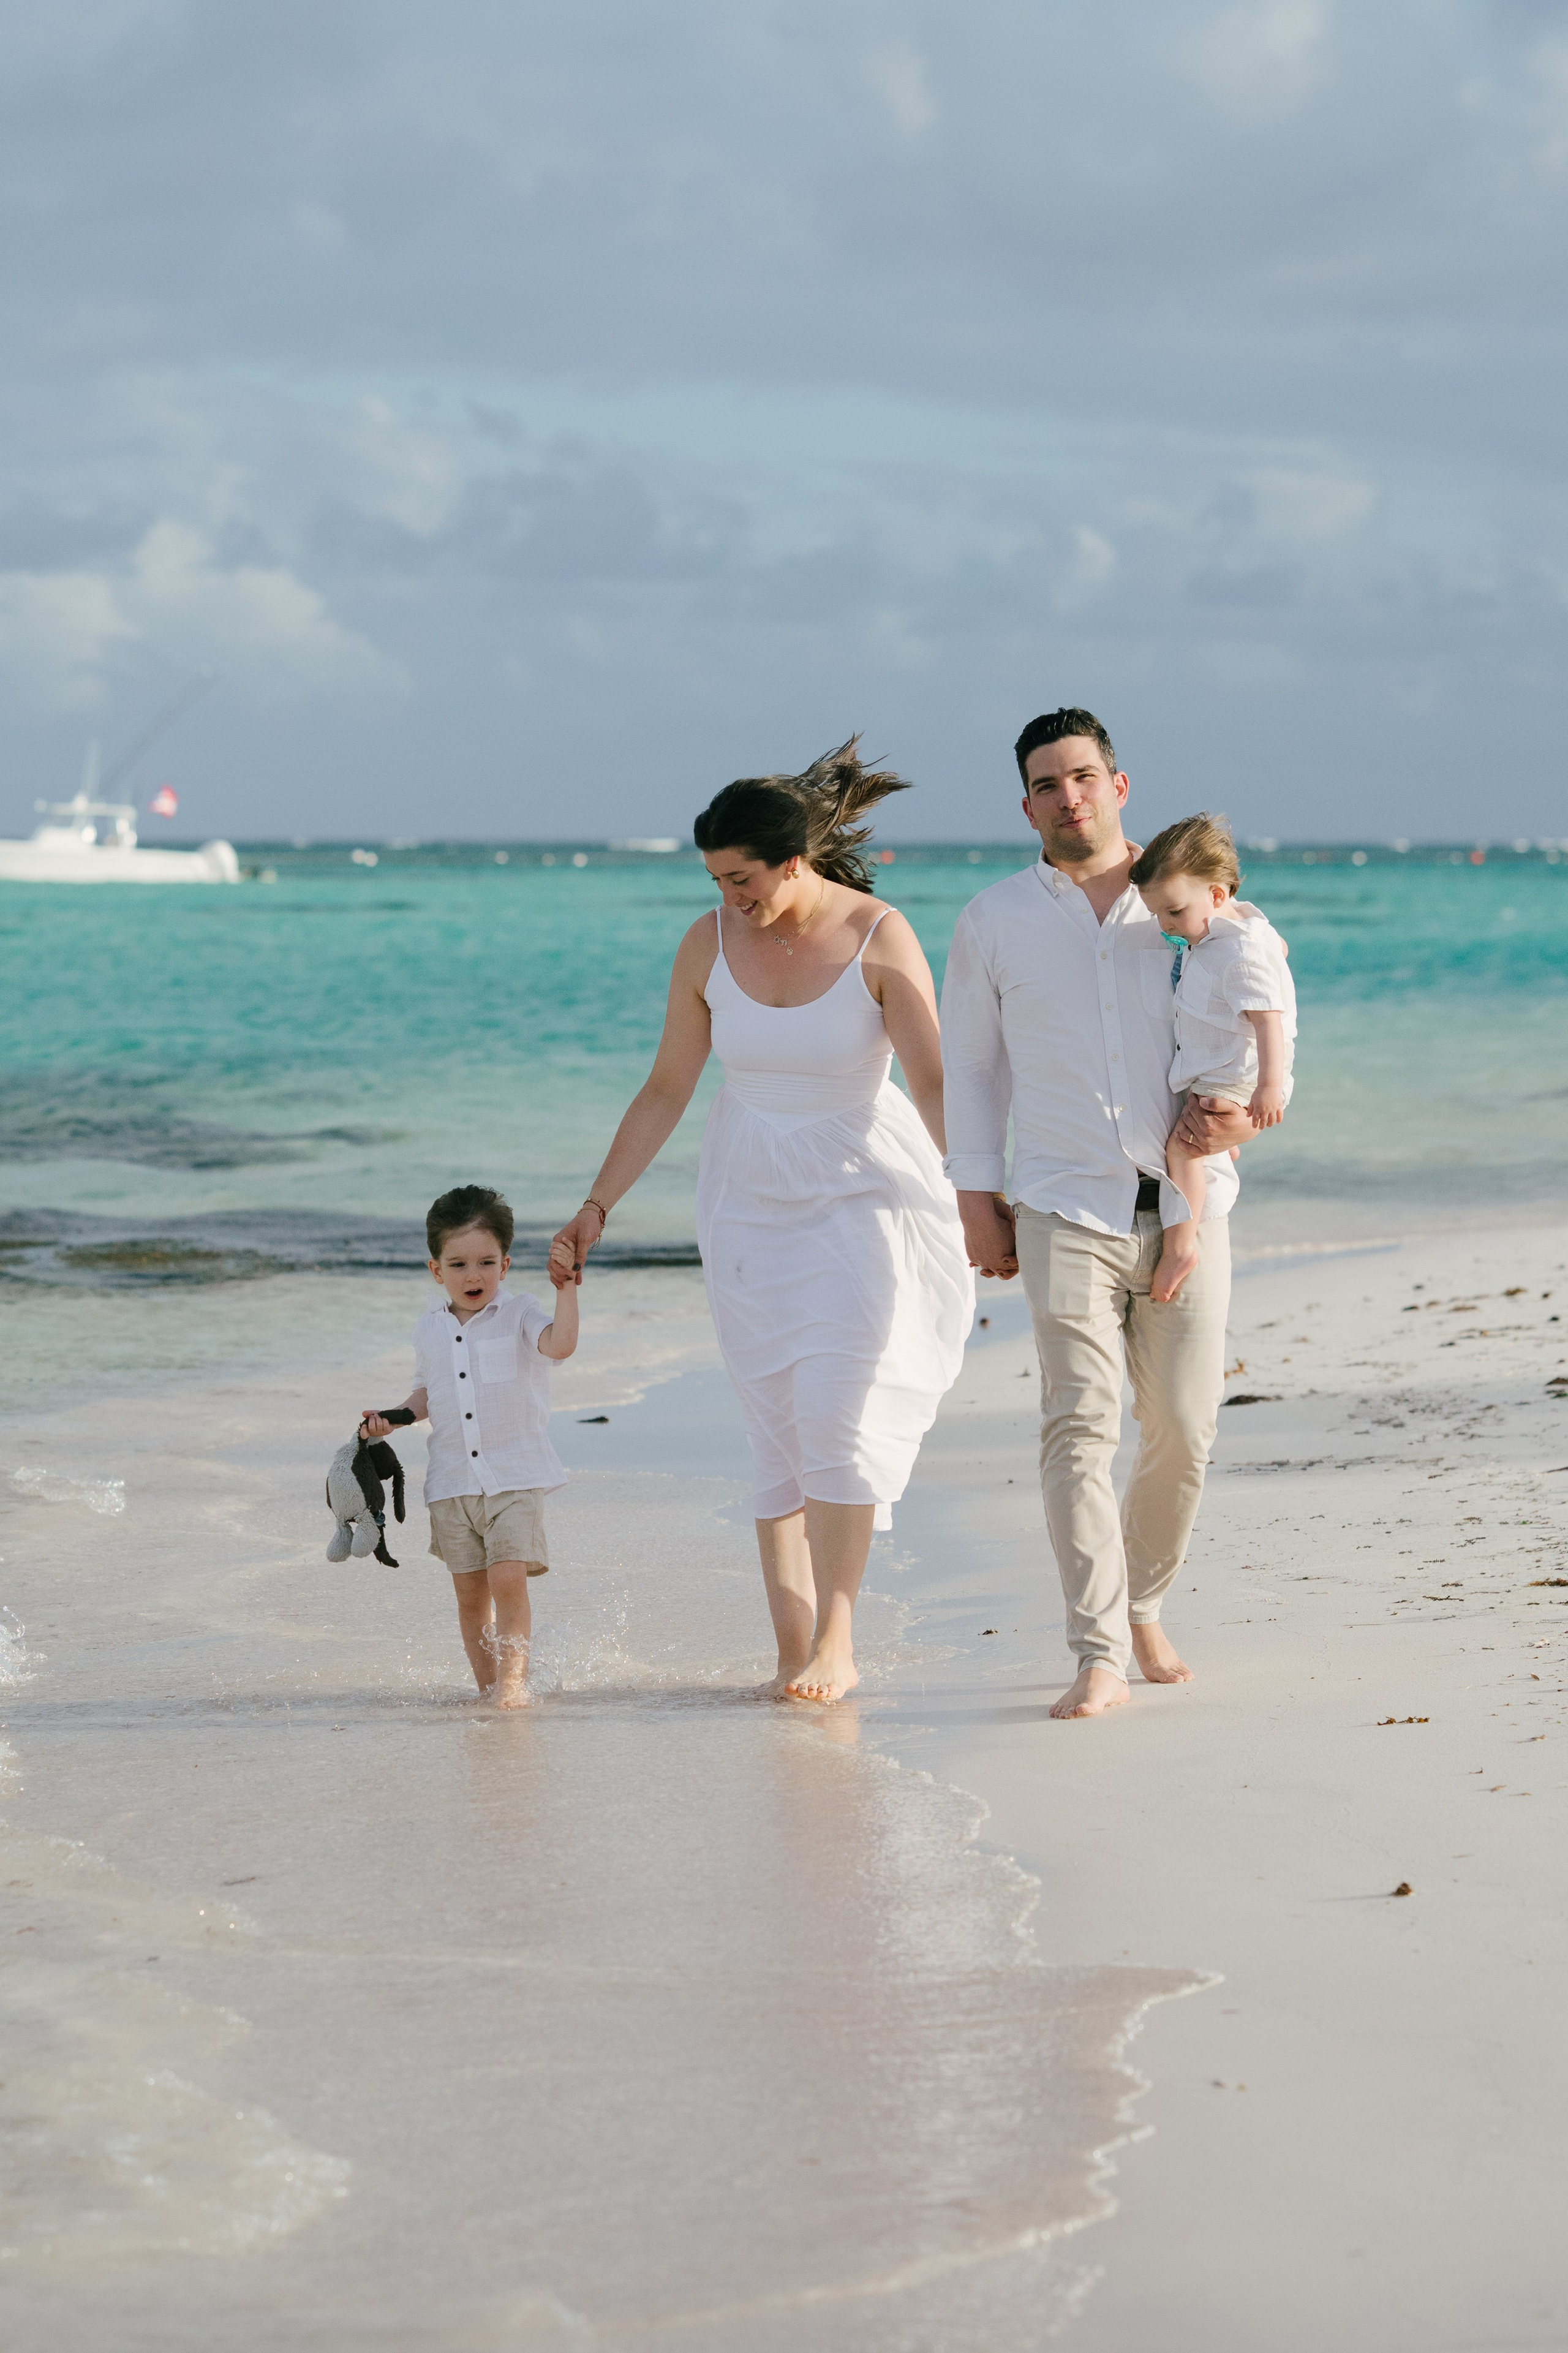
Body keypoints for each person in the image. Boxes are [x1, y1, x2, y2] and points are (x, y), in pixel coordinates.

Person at [551, 739, 973, 1705]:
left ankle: (839, 1639)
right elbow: (666, 1088)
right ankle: (790, 1647)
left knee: (839, 1409)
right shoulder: (707, 944)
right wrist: (595, 1205)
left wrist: (982, 1193)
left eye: (742, 879)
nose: (729, 897)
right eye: (715, 880)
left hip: (862, 1187)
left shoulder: (879, 934)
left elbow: (937, 1080)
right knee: (776, 1421)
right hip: (747, 1195)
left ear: (794, 862)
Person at [939, 708, 1254, 1721]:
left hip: (1187, 1207)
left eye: (1082, 775)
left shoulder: (1191, 906)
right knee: (1078, 1424)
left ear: (1120, 784)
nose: (1066, 795)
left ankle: (1146, 1599)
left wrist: (1246, 1107)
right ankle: (1100, 1648)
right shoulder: (994, 919)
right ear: (1025, 804)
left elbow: (1255, 1019)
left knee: (1184, 1431)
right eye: (1046, 783)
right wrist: (974, 1196)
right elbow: (974, 1068)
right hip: (1062, 1204)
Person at [360, 1185, 579, 1710]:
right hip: (453, 1481)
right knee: (469, 1595)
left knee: (508, 1576)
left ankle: (512, 1684)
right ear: (437, 1270)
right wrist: (390, 1419)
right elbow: (425, 1394)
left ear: (505, 1264)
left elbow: (561, 1345)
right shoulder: (429, 1329)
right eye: (458, 1264)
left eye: (486, 1262)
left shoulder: (522, 1313)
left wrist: (567, 1288)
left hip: (514, 1475)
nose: (473, 1275)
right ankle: (487, 1687)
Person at [1129, 814, 1295, 1303]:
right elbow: (1279, 945)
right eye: (1158, 914)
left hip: (1231, 1080)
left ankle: (1180, 1244)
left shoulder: (1236, 951)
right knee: (1197, 1135)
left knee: (1181, 1150)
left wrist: (1268, 1088)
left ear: (1217, 896)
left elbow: (1268, 1019)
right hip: (1222, 1075)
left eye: (1175, 912)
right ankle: (1220, 1150)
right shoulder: (1240, 928)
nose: (1166, 925)